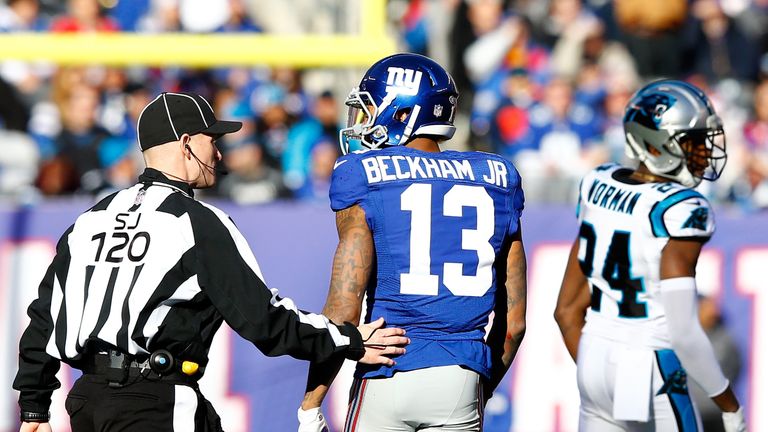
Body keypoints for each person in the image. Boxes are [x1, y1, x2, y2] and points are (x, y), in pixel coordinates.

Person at [13, 91, 409, 432]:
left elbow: (45, 317)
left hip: (87, 401)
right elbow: (264, 321)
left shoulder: (90, 219)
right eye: (211, 140)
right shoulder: (197, 221)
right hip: (157, 401)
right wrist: (348, 340)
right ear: (186, 143)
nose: (220, 152)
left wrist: (34, 403)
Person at [296, 53, 528, 432]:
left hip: (389, 370)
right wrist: (474, 388)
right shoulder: (499, 176)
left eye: (370, 110)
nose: (362, 122)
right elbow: (514, 324)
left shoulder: (362, 173)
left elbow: (343, 309)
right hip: (461, 373)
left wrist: (311, 404)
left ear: (402, 114)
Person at [554, 79, 747, 431]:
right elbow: (684, 332)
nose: (704, 153)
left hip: (594, 357)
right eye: (693, 143)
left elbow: (566, 312)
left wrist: (599, 369)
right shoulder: (681, 208)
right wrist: (730, 405)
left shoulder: (597, 183)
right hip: (646, 361)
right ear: (657, 145)